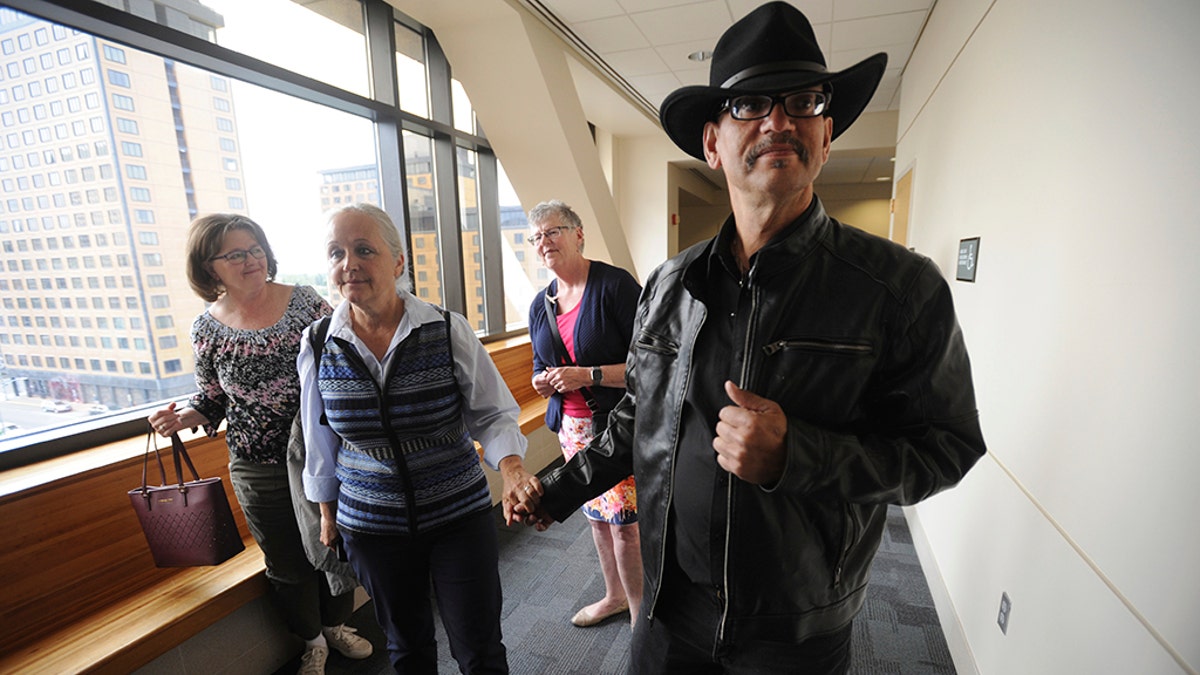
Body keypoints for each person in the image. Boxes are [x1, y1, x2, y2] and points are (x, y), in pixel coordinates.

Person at [514, 3, 988, 673]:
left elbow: (947, 447)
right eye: (750, 104)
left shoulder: (898, 290)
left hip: (793, 632)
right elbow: (639, 418)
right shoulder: (668, 286)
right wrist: (560, 487)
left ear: (826, 136)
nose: (777, 120)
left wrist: (799, 453)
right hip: (667, 607)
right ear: (712, 144)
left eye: (803, 101)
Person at [299, 203, 538, 674]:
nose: (349, 264)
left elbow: (492, 414)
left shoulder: (447, 329)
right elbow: (319, 439)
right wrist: (327, 515)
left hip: (457, 516)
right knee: (406, 648)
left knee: (479, 646)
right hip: (371, 524)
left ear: (398, 262)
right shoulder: (319, 341)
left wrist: (511, 468)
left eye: (364, 249)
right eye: (336, 253)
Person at [148, 214, 372, 675]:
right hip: (256, 464)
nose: (251, 260)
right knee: (286, 562)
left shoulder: (304, 302)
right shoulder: (206, 330)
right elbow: (212, 401)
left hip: (320, 454)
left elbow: (346, 359)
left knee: (335, 544)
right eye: (235, 254)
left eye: (254, 249)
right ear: (210, 267)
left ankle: (336, 626)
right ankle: (312, 642)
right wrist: (179, 418)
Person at [525, 200, 644, 627]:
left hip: (617, 425)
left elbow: (650, 367)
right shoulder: (541, 304)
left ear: (578, 234)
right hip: (571, 429)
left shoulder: (616, 286)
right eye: (536, 236)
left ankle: (641, 612)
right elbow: (543, 366)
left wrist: (586, 375)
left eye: (553, 231)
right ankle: (614, 596)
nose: (544, 242)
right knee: (596, 519)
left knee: (626, 526)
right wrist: (544, 382)